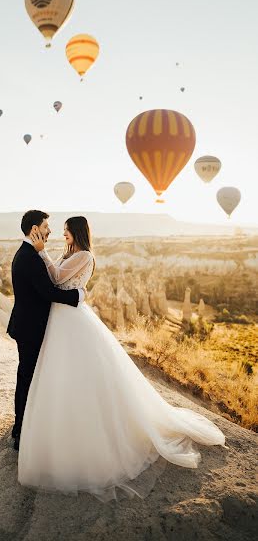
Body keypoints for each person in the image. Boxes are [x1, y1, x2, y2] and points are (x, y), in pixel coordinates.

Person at [17, 215, 226, 501]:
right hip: (61, 319)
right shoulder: (69, 253)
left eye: (65, 231)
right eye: (58, 230)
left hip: (71, 321)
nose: (59, 234)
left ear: (76, 232)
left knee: (81, 371)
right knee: (62, 373)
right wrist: (51, 262)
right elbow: (56, 282)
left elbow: (55, 279)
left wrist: (43, 255)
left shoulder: (84, 256)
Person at [7, 210, 85, 451]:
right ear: (34, 229)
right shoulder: (30, 256)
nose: (51, 231)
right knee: (28, 378)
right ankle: (21, 431)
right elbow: (48, 292)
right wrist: (77, 295)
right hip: (31, 328)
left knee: (28, 377)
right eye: (46, 227)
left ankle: (24, 426)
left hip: (27, 325)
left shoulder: (27, 253)